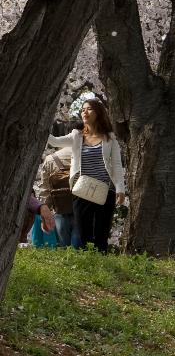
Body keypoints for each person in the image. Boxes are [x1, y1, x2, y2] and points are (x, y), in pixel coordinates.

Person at [47, 98, 126, 252]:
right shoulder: (76, 135)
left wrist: (120, 189)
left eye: (89, 109)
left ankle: (102, 266)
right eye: (83, 109)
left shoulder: (109, 138)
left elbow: (117, 165)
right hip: (82, 190)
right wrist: (41, 125)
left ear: (98, 113)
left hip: (105, 191)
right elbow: (54, 142)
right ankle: (87, 268)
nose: (84, 112)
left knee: (102, 232)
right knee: (83, 233)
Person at [33, 147, 76, 247]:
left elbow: (45, 190)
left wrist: (45, 210)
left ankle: (67, 259)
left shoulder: (50, 159)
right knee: (81, 244)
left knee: (64, 244)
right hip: (81, 205)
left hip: (60, 207)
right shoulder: (83, 155)